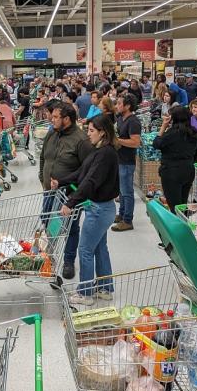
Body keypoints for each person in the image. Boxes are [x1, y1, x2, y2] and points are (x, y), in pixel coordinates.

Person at [52, 114, 119, 305]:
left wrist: (70, 202)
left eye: (91, 131)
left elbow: (90, 182)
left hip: (99, 210)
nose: (87, 134)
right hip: (102, 209)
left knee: (85, 250)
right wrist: (61, 181)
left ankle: (85, 294)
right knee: (99, 248)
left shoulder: (105, 155)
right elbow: (82, 173)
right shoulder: (101, 152)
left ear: (102, 133)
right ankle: (105, 289)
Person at [39, 101, 93, 279]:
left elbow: (88, 171)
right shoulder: (52, 134)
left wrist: (75, 196)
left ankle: (69, 261)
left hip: (69, 193)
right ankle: (49, 257)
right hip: (49, 191)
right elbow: (43, 157)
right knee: (47, 222)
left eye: (55, 117)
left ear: (67, 119)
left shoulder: (81, 140)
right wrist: (43, 178)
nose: (51, 119)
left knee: (71, 228)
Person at [154, 105, 197, 212]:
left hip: (171, 171)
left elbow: (156, 143)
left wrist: (163, 126)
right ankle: (184, 225)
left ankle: (176, 227)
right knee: (182, 205)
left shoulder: (172, 133)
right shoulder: (194, 133)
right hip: (188, 169)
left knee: (174, 207)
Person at [112, 93, 142, 232]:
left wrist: (118, 141)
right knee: (122, 191)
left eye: (119, 103)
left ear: (128, 106)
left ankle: (128, 220)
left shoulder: (133, 121)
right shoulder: (120, 118)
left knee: (127, 191)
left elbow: (136, 142)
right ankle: (122, 214)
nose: (117, 106)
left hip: (127, 161)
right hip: (119, 159)